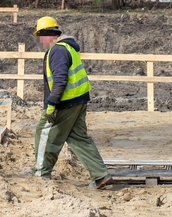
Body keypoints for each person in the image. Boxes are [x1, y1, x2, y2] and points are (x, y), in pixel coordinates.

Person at [30, 16, 112, 189]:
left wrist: (51, 105)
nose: (40, 41)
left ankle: (40, 174)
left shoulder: (57, 50)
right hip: (79, 100)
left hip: (65, 102)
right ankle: (100, 175)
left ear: (48, 34)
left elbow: (60, 80)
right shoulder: (68, 47)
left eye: (40, 36)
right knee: (79, 138)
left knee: (44, 133)